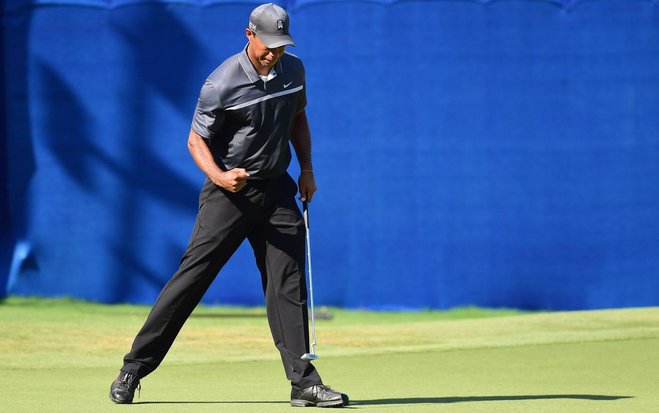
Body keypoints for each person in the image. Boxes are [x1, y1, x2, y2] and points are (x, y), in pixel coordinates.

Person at [109, 3, 349, 408]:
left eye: (281, 45)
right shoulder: (220, 83)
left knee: (288, 286)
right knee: (191, 280)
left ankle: (304, 384)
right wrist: (221, 177)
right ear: (249, 35)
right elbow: (195, 140)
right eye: (268, 45)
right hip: (229, 195)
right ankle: (133, 368)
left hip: (277, 191)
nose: (274, 53)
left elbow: (298, 119)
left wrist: (307, 169)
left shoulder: (293, 71)